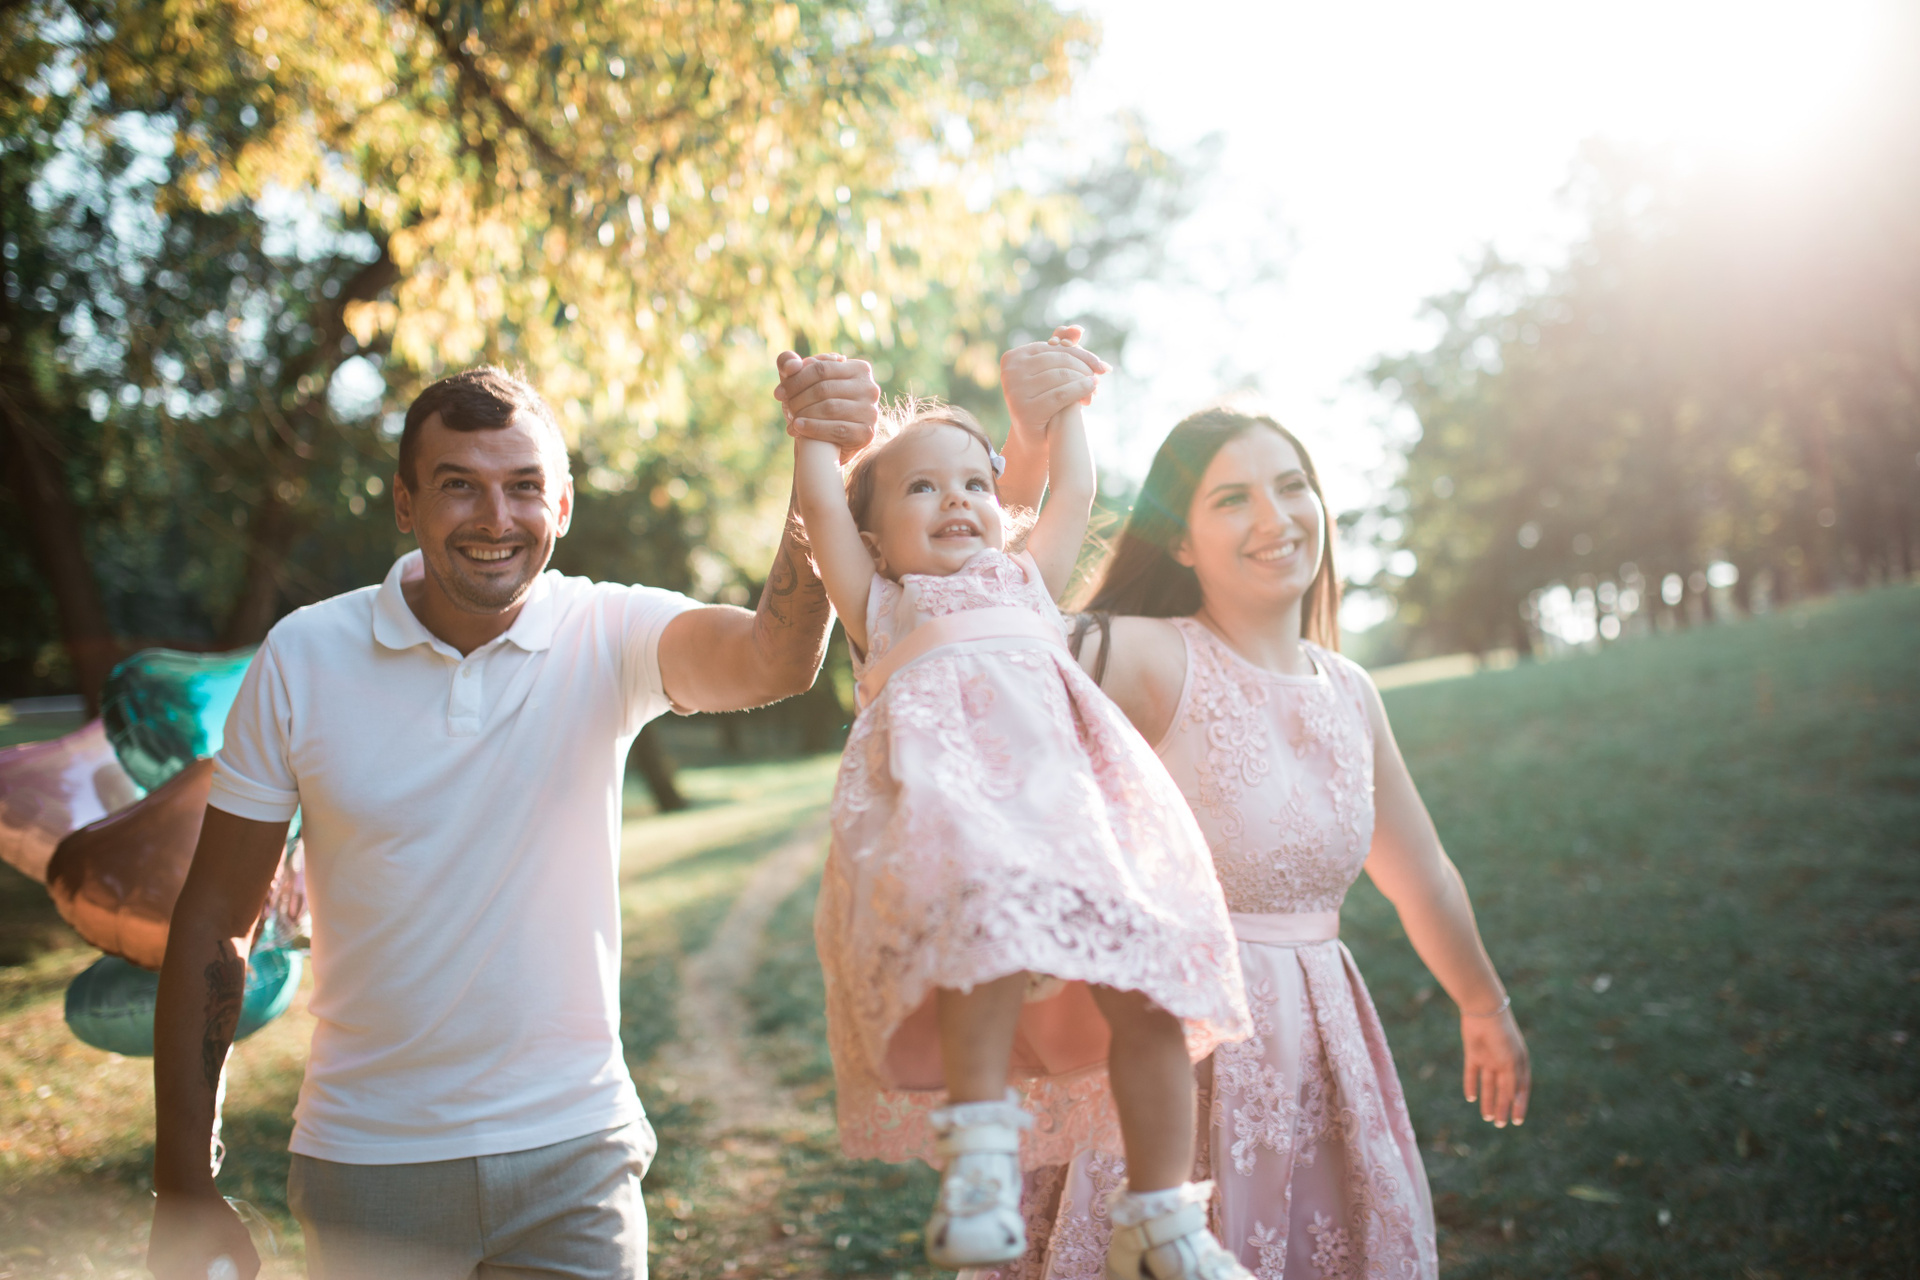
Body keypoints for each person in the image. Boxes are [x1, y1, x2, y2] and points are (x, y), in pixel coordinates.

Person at [146, 356, 880, 1280]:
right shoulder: (303, 655)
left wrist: (819, 465)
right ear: (405, 504)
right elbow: (218, 917)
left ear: (562, 506)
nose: (496, 518)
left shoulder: (609, 632)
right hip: (370, 1165)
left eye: (525, 487)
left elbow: (774, 659)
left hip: (577, 1158)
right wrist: (184, 1181)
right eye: (459, 485)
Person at [975, 405, 1532, 1280]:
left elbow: (1422, 875)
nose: (1275, 518)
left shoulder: (1350, 691)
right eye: (1232, 498)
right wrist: (1031, 446)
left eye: (1291, 486)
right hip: (1176, 1061)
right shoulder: (1147, 655)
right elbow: (988, 634)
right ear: (1181, 540)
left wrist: (1484, 1006)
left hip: (1321, 1051)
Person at [793, 332, 1257, 1279]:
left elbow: (1074, 490)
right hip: (962, 836)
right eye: (922, 487)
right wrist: (811, 432)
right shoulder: (880, 603)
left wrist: (1065, 405)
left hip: (1080, 829)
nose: (957, 499)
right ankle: (979, 1165)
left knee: (1151, 991)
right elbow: (818, 507)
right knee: (989, 938)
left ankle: (1164, 1220)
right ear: (872, 535)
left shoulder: (1027, 581)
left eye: (975, 482)